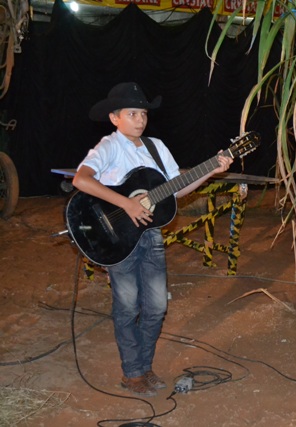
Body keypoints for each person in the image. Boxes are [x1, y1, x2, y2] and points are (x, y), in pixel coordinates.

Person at [72, 82, 233, 397]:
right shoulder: (109, 146)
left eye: (143, 113)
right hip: (118, 239)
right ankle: (132, 372)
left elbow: (176, 189)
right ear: (115, 118)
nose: (140, 119)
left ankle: (144, 367)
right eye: (132, 114)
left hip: (151, 236)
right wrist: (127, 203)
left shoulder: (155, 147)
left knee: (157, 307)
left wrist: (211, 170)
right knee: (128, 305)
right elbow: (81, 179)